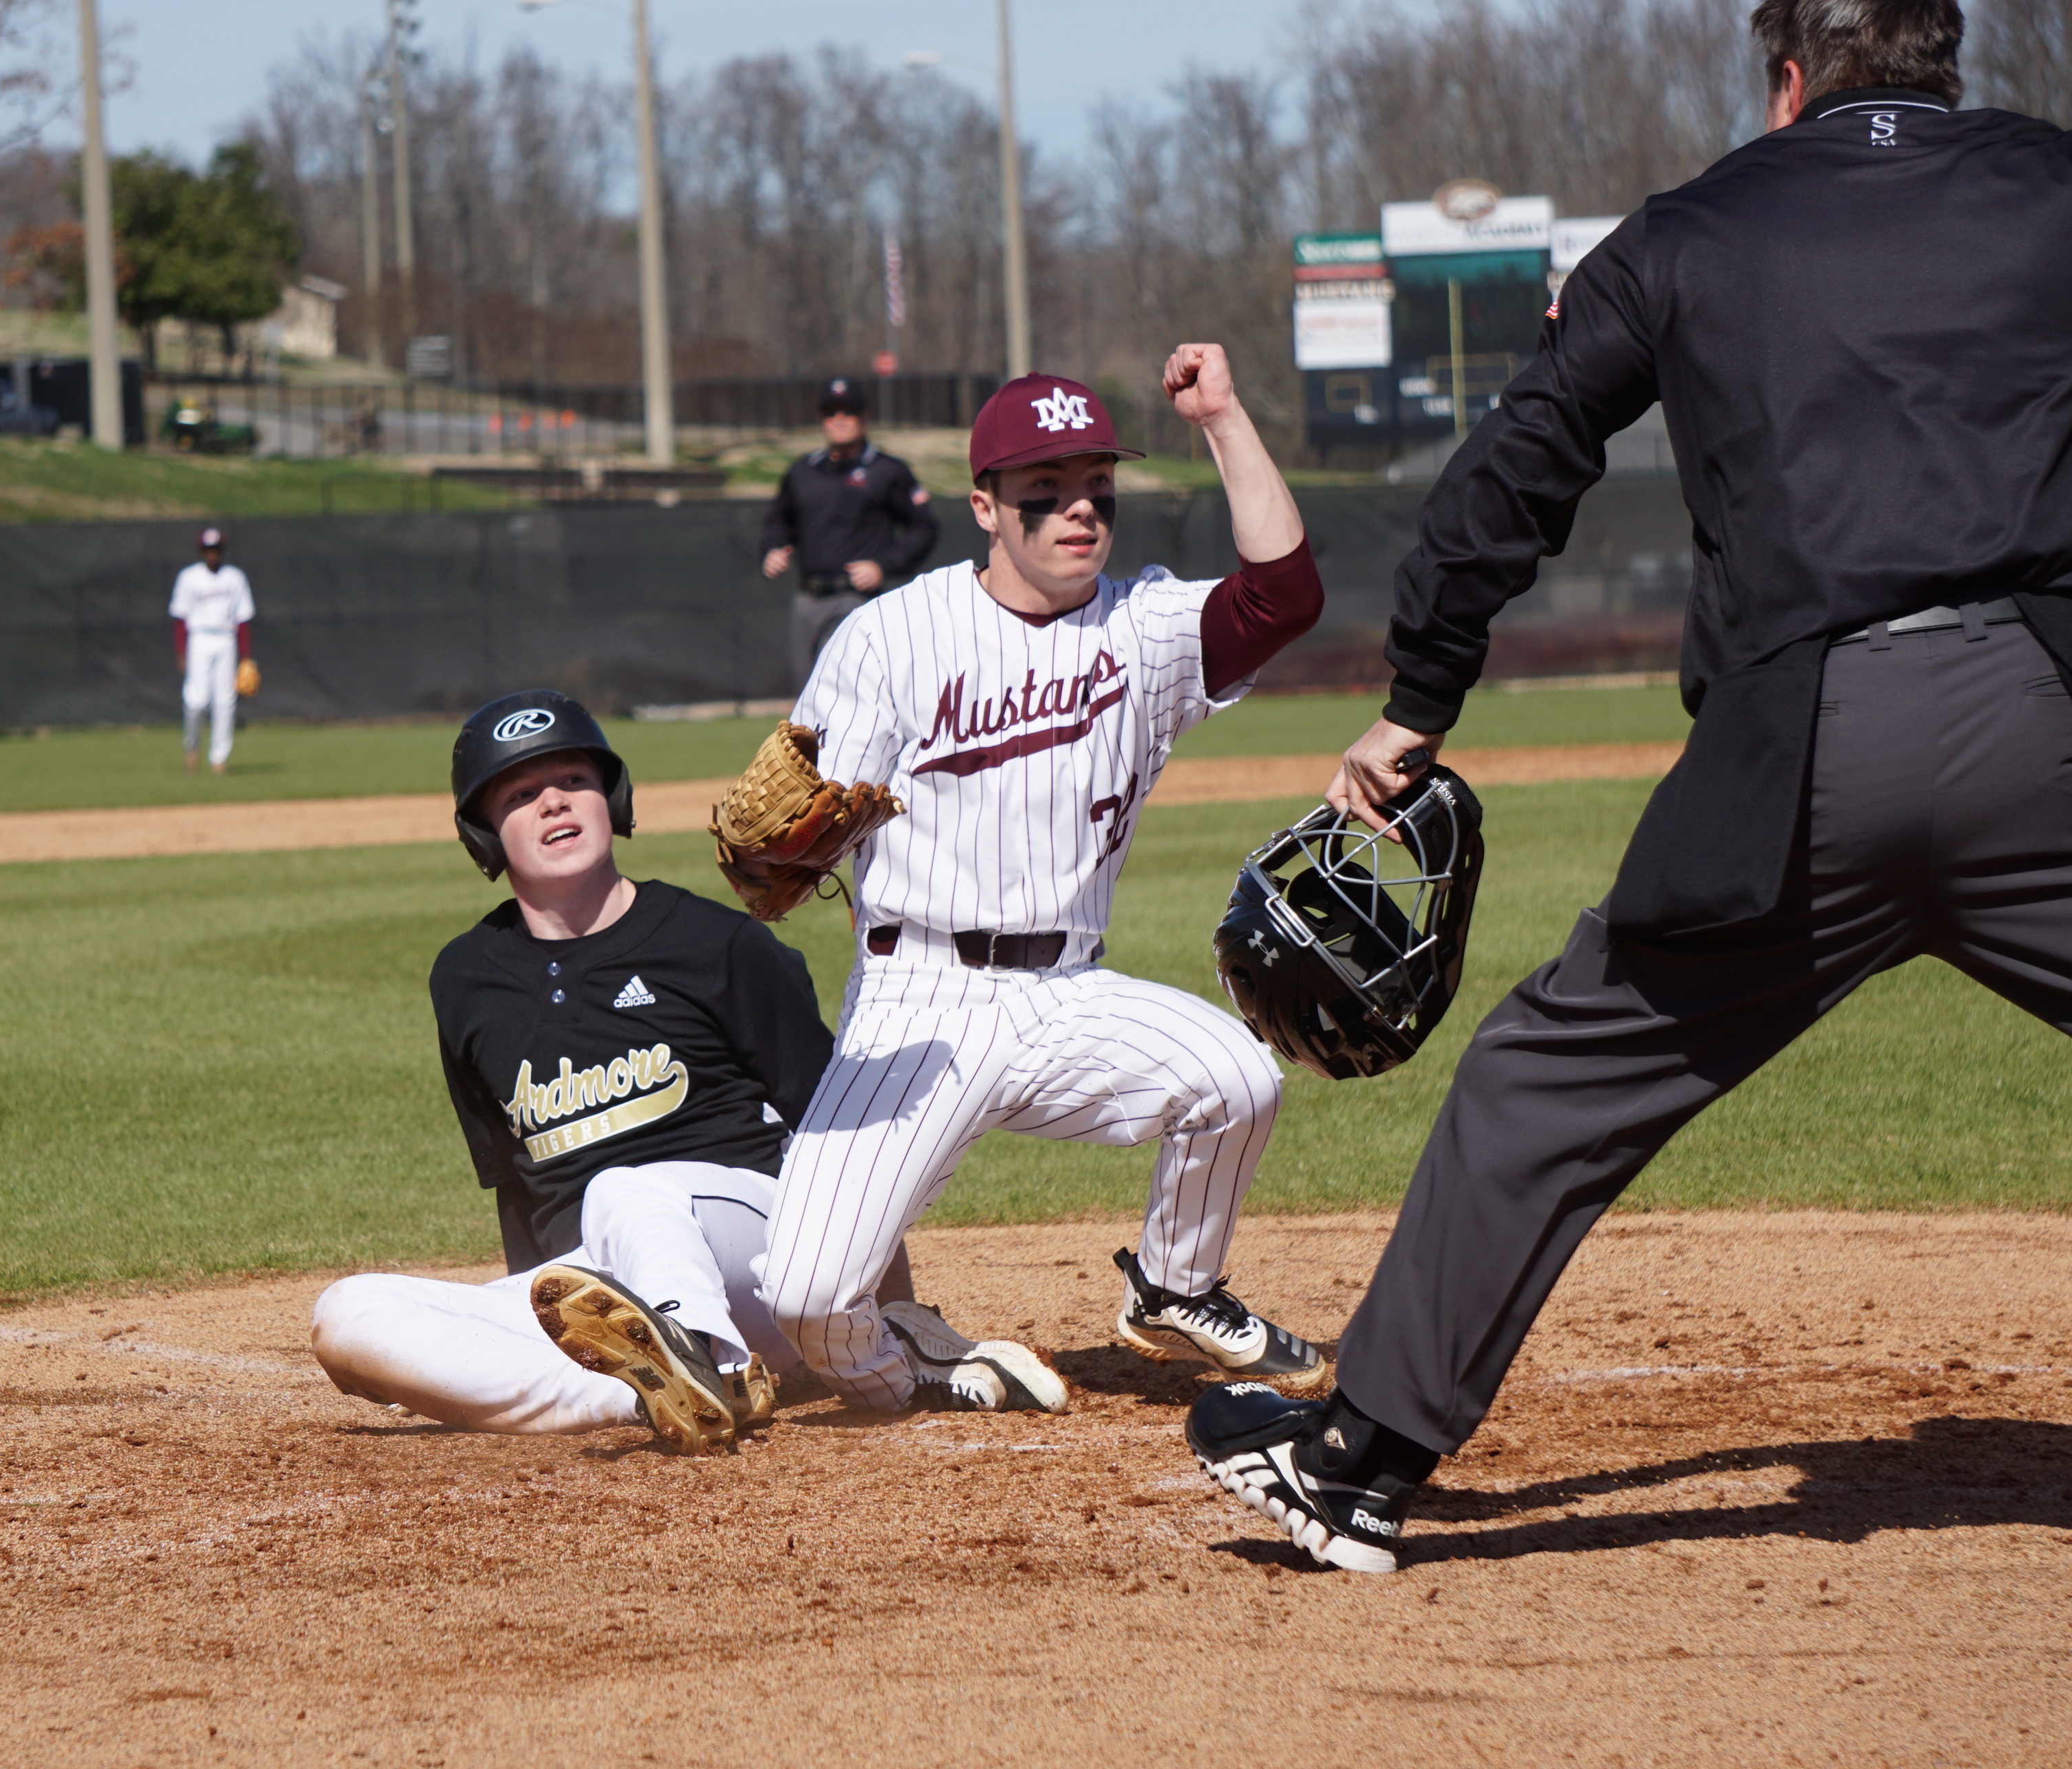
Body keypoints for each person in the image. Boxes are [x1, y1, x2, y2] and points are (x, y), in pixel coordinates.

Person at [1187, 0, 2072, 1575]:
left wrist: (1422, 690)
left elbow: (1518, 462)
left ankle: (1354, 1466)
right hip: (2059, 743)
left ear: (1786, 81)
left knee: (1547, 1080)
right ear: (1941, 67)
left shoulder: (1688, 230)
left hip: (1810, 770)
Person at [757, 352, 1334, 1418]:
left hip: (1067, 993)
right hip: (918, 1000)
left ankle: (1175, 1288)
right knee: (806, 1295)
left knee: (1238, 1078)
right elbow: (800, 822)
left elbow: (1285, 595)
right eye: (1046, 490)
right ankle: (913, 1369)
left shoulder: (1143, 627)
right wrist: (790, 855)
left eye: (1097, 488)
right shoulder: (893, 635)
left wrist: (1221, 414)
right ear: (985, 505)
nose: (1080, 509)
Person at [309, 690, 956, 1452]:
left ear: (611, 799)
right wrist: (552, 1312)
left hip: (749, 1258)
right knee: (348, 1314)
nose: (554, 802)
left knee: (623, 1192)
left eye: (573, 781)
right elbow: (516, 1183)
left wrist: (888, 1312)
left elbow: (843, 1140)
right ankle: (640, 1394)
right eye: (520, 794)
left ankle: (702, 1352)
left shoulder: (717, 945)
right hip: (601, 1287)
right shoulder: (465, 979)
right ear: (485, 834)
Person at [761, 377, 939, 685]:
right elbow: (778, 521)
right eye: (831, 412)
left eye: (849, 411)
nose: (840, 419)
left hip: (855, 598)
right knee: (807, 696)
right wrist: (773, 549)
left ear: (864, 417)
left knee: (844, 688)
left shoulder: (886, 470)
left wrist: (884, 566)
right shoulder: (803, 472)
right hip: (807, 599)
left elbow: (923, 526)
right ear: (821, 419)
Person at [169, 528, 255, 774]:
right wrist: (182, 651)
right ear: (201, 551)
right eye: (208, 550)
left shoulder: (235, 578)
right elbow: (181, 619)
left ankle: (219, 757)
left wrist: (246, 657)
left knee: (225, 702)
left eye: (216, 549)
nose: (212, 554)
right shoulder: (189, 577)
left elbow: (243, 620)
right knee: (196, 701)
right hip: (199, 639)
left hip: (226, 639)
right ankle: (192, 747)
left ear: (222, 551)